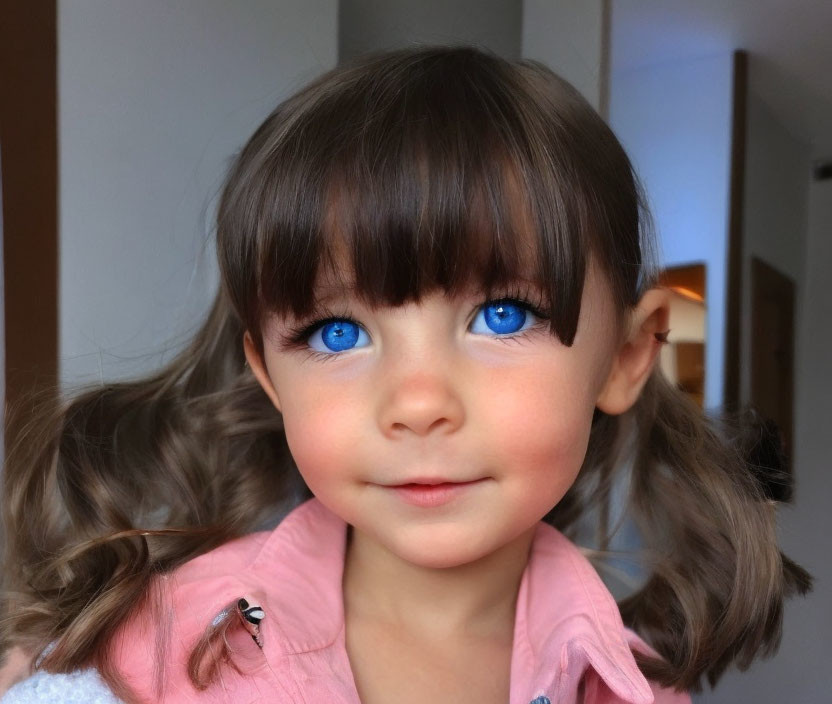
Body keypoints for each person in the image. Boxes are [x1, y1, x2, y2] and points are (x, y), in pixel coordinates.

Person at [0, 45, 812, 704]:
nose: (417, 404)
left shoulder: (629, 689)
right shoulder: (149, 652)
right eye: (338, 331)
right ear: (270, 377)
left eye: (503, 315)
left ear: (629, 357)